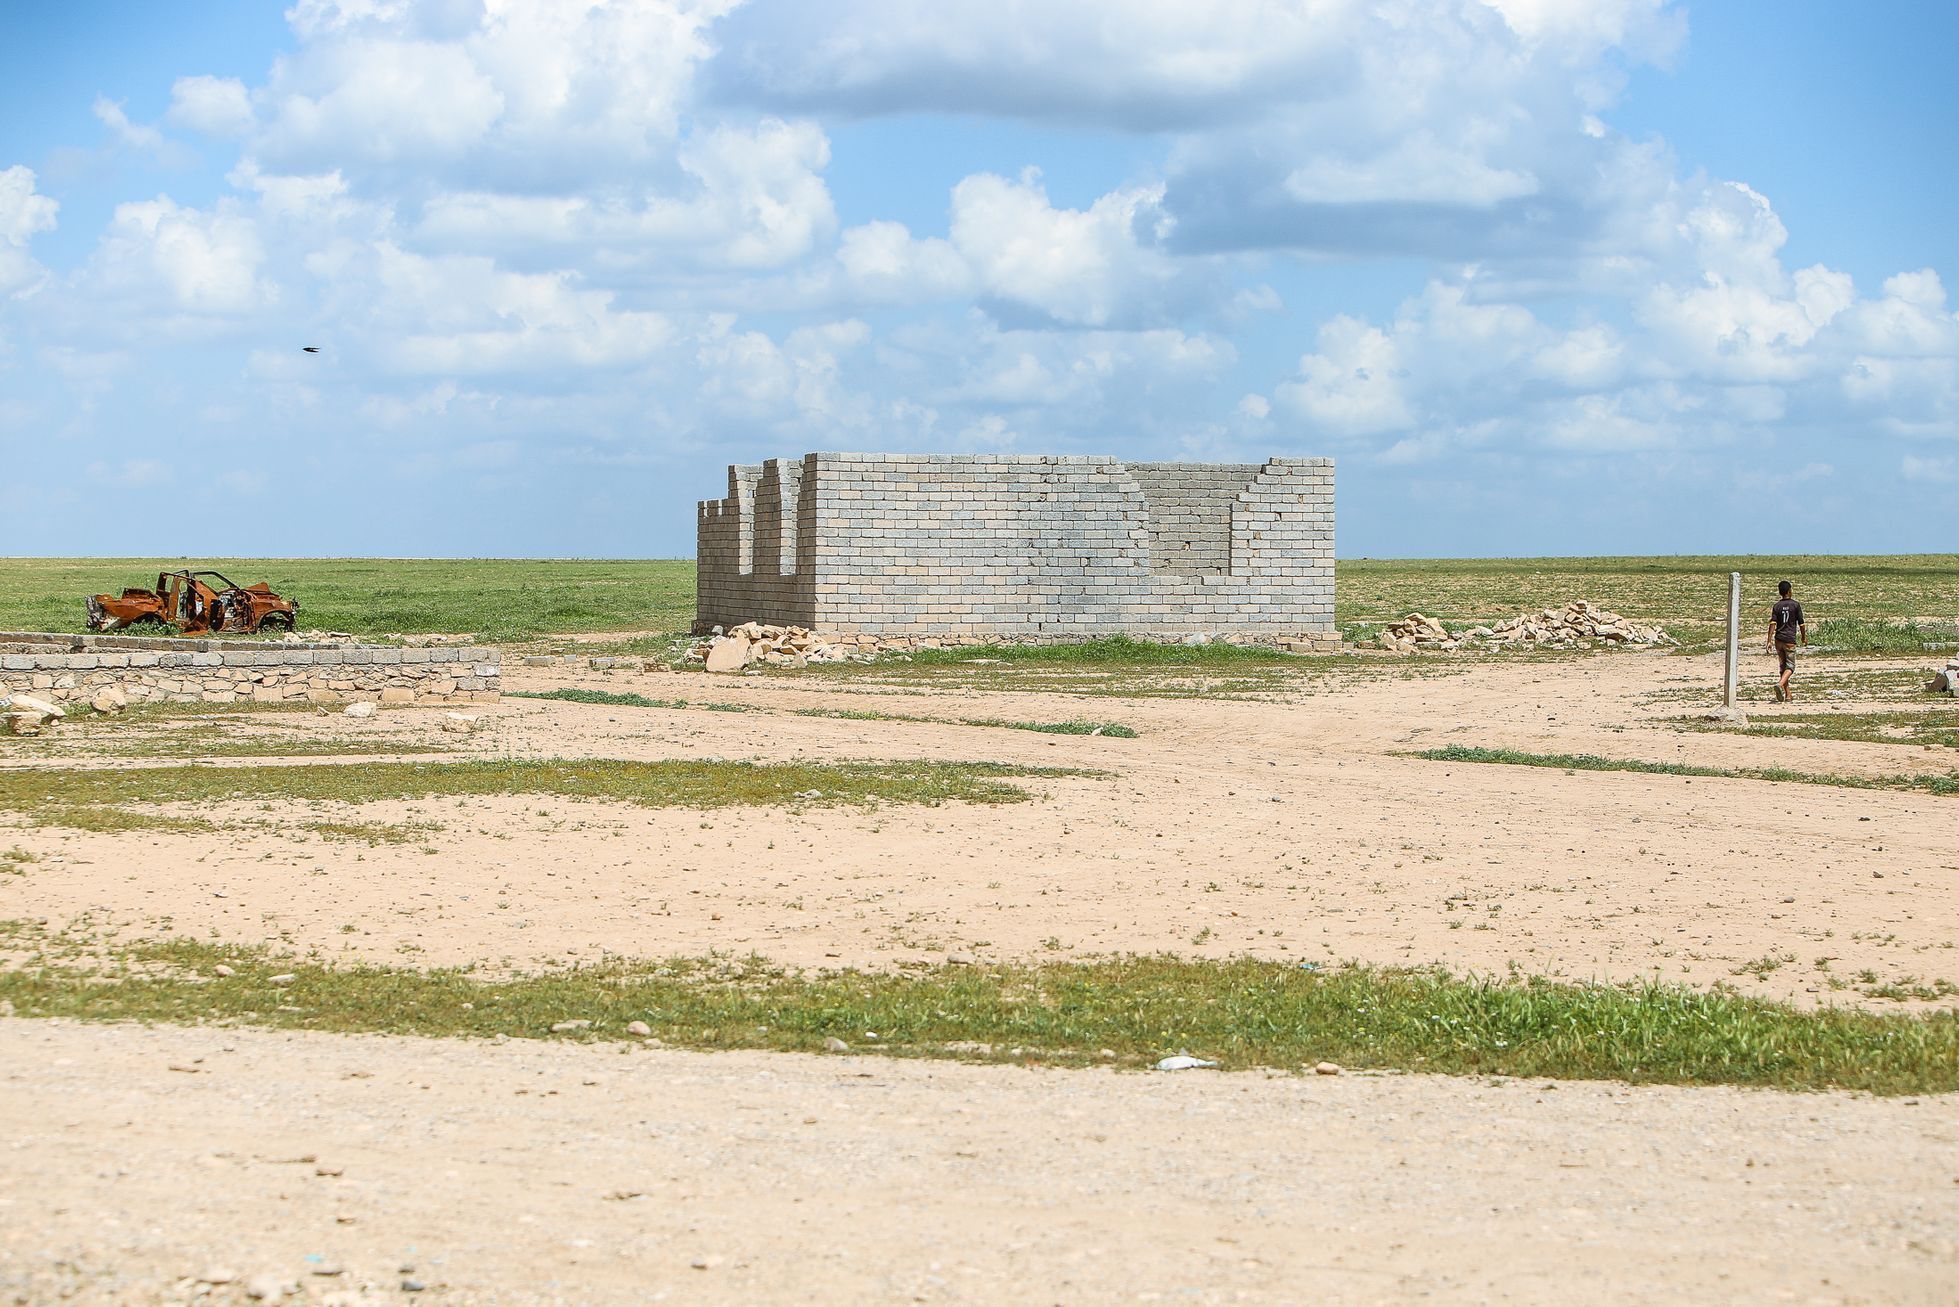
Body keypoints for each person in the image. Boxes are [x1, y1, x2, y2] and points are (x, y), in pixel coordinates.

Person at [1767, 579, 1807, 701]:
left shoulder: (1777, 606)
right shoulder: (1795, 605)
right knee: (1790, 667)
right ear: (1790, 591)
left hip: (1778, 639)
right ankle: (1779, 685)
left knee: (1782, 667)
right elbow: (1801, 624)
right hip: (1789, 639)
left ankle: (1788, 694)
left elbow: (1772, 623)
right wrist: (1804, 637)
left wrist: (1769, 640)